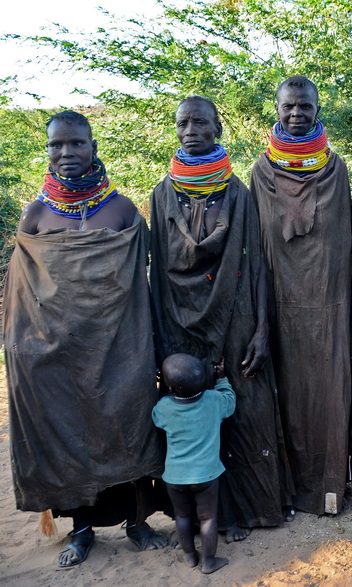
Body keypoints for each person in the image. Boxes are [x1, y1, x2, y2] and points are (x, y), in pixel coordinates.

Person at [3, 110, 167, 567]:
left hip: (119, 349)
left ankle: (137, 522)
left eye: (76, 143)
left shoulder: (122, 210)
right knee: (65, 436)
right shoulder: (35, 215)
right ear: (48, 150)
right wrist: (22, 354)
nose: (66, 153)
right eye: (57, 145)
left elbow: (141, 282)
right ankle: (80, 530)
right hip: (55, 354)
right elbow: (21, 295)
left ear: (93, 147)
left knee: (129, 427)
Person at [149, 96, 291, 541]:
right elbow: (157, 271)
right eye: (183, 122)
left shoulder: (237, 194)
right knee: (190, 416)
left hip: (236, 319)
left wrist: (262, 329)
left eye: (201, 122)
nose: (191, 129)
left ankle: (247, 512)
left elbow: (260, 264)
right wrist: (158, 340)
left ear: (218, 129)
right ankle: (201, 518)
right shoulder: (161, 194)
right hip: (179, 324)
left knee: (243, 414)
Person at [251, 76, 352, 515]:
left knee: (330, 388)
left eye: (305, 107)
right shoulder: (260, 172)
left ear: (317, 110)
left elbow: (347, 233)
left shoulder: (336, 167)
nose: (296, 114)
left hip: (329, 303)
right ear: (278, 109)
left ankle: (330, 488)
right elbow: (258, 248)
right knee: (286, 392)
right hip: (280, 304)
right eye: (289, 107)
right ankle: (288, 490)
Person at [153, 354, 234, 574]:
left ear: (170, 388)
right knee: (208, 518)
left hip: (175, 477)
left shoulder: (164, 408)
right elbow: (230, 402)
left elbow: (155, 418)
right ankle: (209, 562)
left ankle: (190, 557)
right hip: (207, 477)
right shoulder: (214, 401)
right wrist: (222, 379)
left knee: (182, 516)